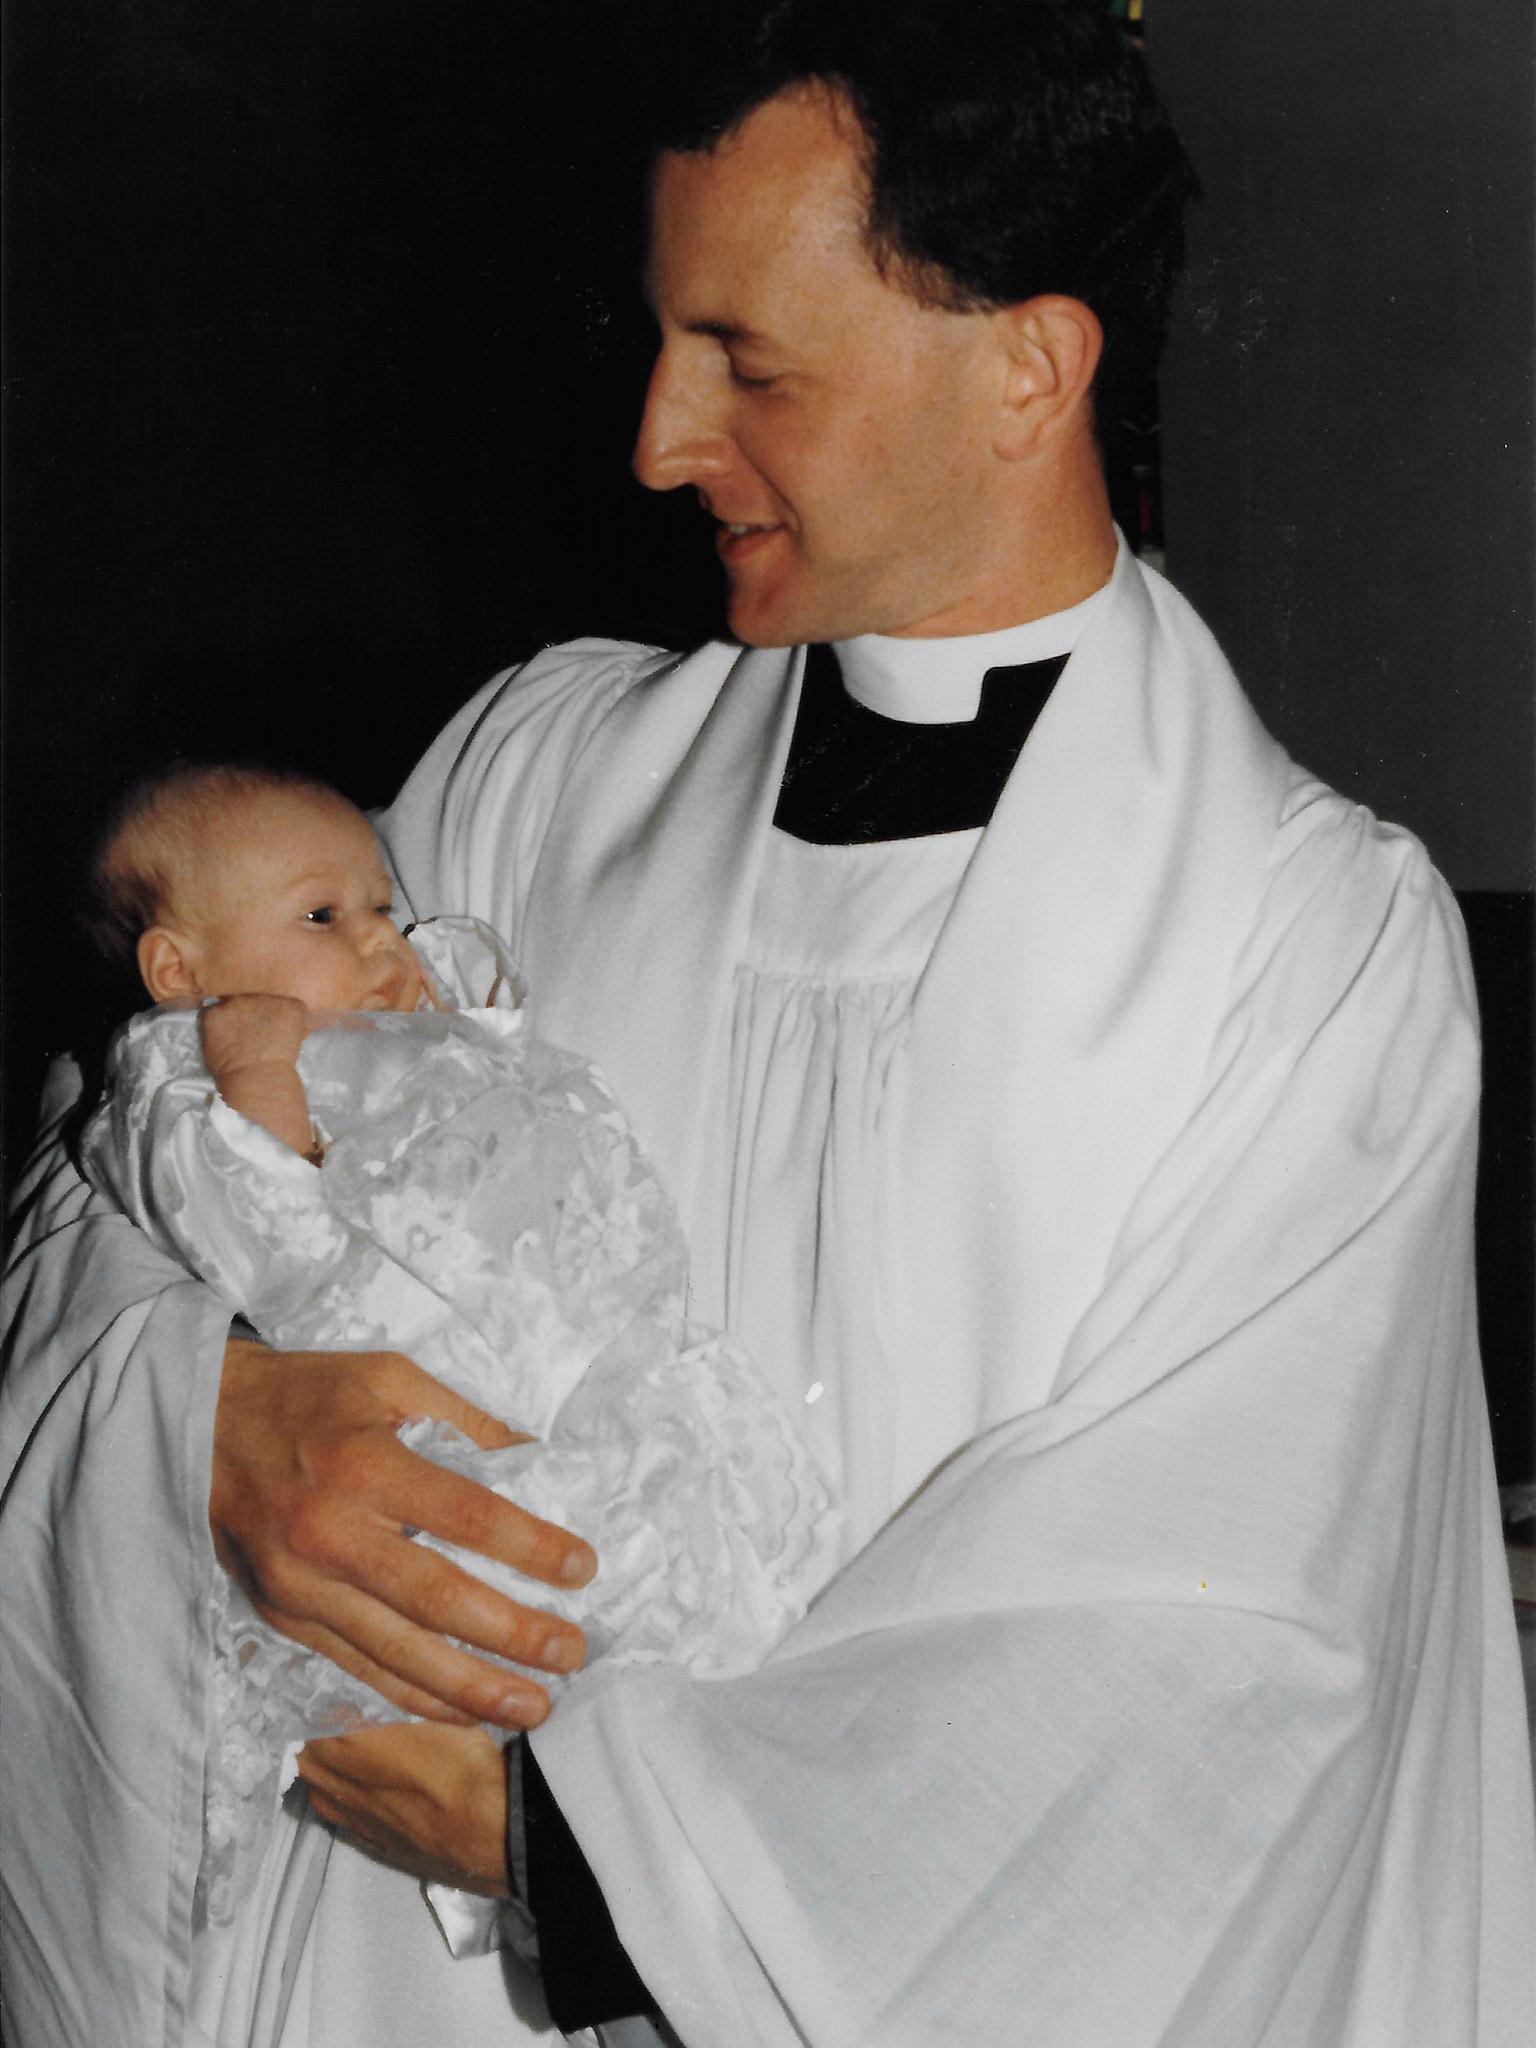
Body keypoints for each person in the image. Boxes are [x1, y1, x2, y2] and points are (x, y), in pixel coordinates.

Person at [3, 3, 1532, 2045]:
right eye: (660, 336)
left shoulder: (1305, 955)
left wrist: (595, 1853)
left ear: (1028, 369)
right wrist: (192, 1422)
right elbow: (116, 1165)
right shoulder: (534, 785)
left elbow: (1229, 1637)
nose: (653, 436)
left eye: (750, 363)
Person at [66, 760, 834, 2036]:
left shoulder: (365, 1023)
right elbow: (238, 1233)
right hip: (424, 1437)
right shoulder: (185, 1076)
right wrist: (260, 1104)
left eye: (383, 906)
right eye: (327, 918)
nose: (381, 940)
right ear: (174, 969)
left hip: (572, 1367)